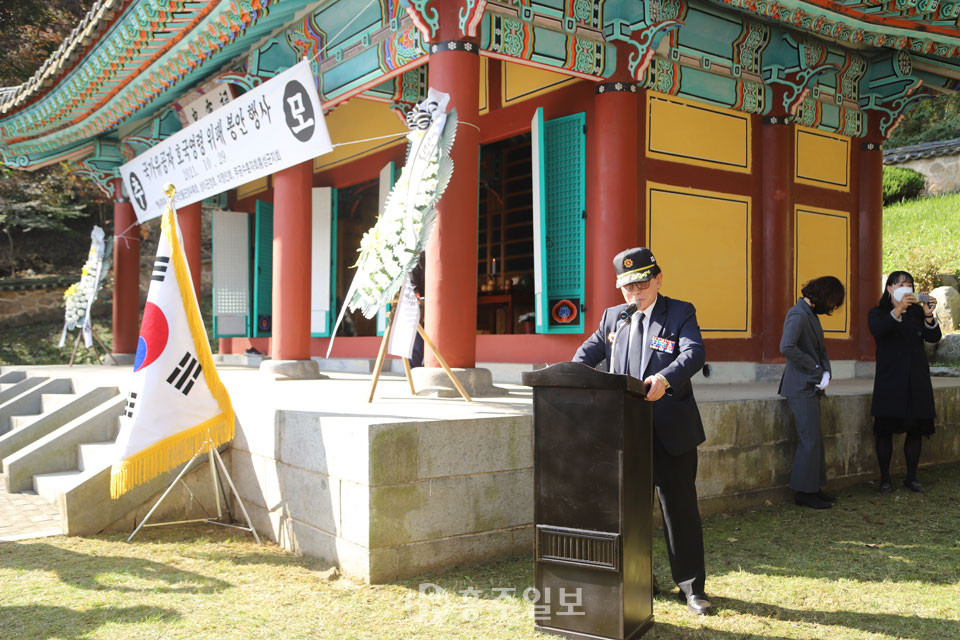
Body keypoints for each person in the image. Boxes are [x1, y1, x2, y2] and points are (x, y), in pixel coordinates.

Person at [573, 247, 711, 616]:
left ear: (658, 279)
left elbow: (693, 353)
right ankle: (638, 580)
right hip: (625, 433)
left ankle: (691, 588)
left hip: (670, 431)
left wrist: (665, 378)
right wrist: (570, 379)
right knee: (628, 512)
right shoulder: (613, 318)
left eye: (642, 284)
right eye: (628, 287)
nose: (635, 293)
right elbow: (584, 355)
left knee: (679, 510)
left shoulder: (680, 312)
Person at [868, 271, 940, 494]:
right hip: (890, 378)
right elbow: (879, 330)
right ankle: (885, 479)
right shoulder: (878, 312)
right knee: (885, 431)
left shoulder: (917, 312)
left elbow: (933, 337)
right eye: (900, 284)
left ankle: (911, 478)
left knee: (916, 429)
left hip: (916, 378)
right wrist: (898, 309)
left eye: (909, 284)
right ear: (889, 288)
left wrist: (929, 315)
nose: (906, 287)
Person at [778, 276, 845, 510]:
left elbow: (820, 348)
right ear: (823, 296)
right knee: (810, 440)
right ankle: (804, 493)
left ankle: (814, 487)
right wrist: (816, 369)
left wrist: (826, 371)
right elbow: (787, 347)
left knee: (815, 438)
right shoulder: (798, 314)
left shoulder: (810, 314)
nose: (832, 308)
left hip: (810, 384)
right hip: (800, 386)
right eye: (833, 302)